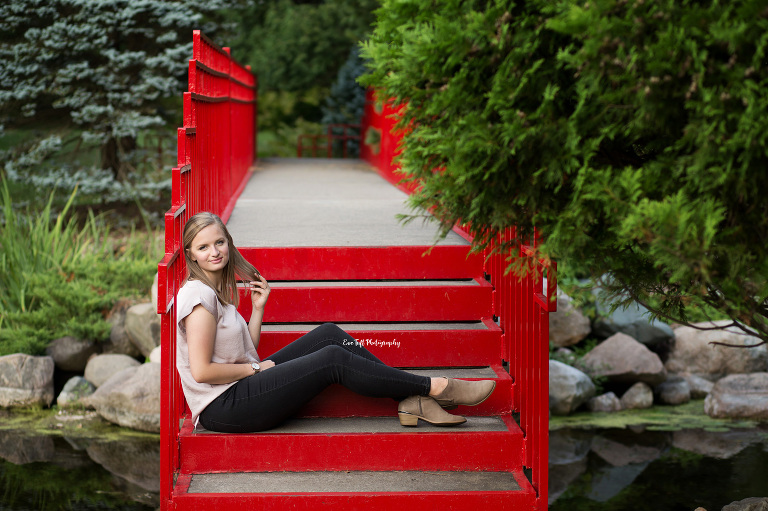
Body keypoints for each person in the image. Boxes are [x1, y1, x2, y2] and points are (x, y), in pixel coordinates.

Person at [176, 211, 496, 433]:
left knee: (329, 335)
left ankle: (412, 400)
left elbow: (244, 353)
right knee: (332, 359)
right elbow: (203, 371)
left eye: (219, 242)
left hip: (241, 387)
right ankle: (435, 388)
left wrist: (257, 310)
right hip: (225, 407)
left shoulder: (215, 291)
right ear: (191, 254)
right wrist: (256, 369)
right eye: (203, 247)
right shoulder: (198, 298)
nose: (214, 252)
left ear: (228, 242)